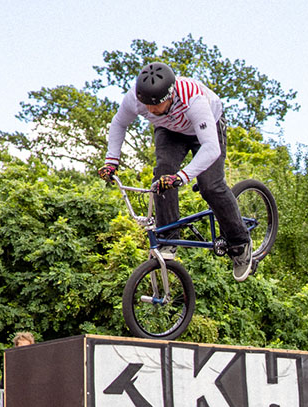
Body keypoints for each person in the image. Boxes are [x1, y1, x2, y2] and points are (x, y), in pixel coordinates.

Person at [98, 61, 254, 282]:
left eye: (155, 107)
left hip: (206, 130)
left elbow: (211, 148)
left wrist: (182, 177)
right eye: (146, 106)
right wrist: (111, 160)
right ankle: (168, 237)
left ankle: (240, 243)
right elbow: (119, 123)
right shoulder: (135, 98)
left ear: (170, 96)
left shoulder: (194, 100)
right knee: (162, 174)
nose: (149, 111)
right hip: (170, 130)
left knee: (211, 186)